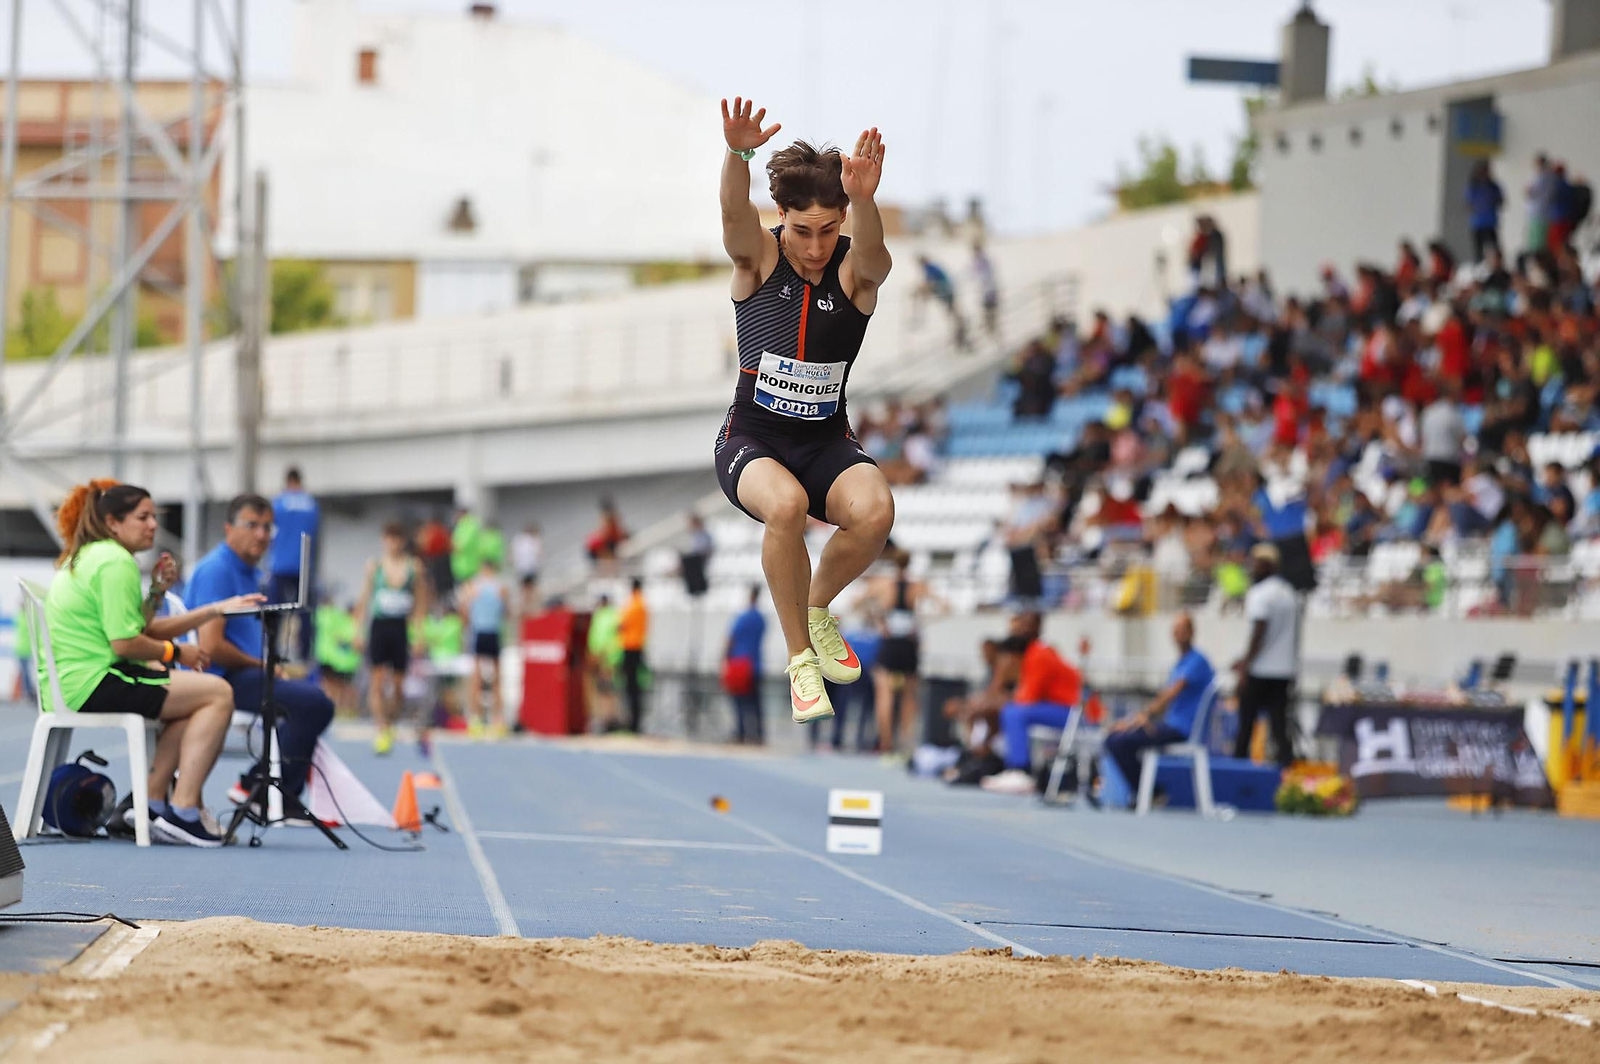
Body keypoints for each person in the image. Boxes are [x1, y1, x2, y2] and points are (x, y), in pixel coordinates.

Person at [712, 97, 895, 726]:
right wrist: (739, 154)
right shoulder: (758, 259)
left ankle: (816, 610)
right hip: (752, 440)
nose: (815, 247)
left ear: (842, 219)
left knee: (876, 511)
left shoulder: (855, 271)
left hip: (824, 442)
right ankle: (798, 661)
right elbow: (734, 213)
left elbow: (874, 259)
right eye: (801, 231)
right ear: (781, 220)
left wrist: (866, 200)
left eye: (828, 230)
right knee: (785, 506)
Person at [44, 481, 261, 847]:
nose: (152, 525)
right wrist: (176, 654)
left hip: (80, 681)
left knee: (191, 703)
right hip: (97, 681)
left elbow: (139, 627)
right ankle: (185, 810)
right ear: (113, 522)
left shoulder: (93, 555)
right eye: (143, 517)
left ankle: (152, 803)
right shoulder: (115, 561)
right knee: (219, 693)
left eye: (154, 517)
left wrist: (185, 601)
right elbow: (126, 643)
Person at [189, 493, 337, 815]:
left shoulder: (254, 574)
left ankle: (261, 787)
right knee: (314, 704)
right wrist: (262, 664)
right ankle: (261, 789)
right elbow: (210, 647)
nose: (261, 534)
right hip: (221, 677)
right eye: (252, 525)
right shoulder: (218, 570)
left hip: (245, 673)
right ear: (229, 528)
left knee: (310, 702)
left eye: (268, 527)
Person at [1102, 613, 1215, 804]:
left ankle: (1152, 793)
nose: (1178, 635)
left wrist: (1143, 716)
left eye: (1182, 630)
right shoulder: (1181, 662)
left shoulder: (1197, 661)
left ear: (1191, 632)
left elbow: (1171, 693)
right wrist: (1136, 722)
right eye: (1175, 631)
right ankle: (1145, 793)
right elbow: (1167, 702)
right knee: (1113, 738)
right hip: (1168, 726)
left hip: (1180, 730)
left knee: (1119, 742)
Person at [981, 614, 1083, 794]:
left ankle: (1021, 771)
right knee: (1010, 711)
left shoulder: (1038, 656)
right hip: (1064, 709)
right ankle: (1013, 767)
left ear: (1012, 657)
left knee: (1013, 713)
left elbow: (1027, 699)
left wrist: (1002, 691)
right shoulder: (1035, 653)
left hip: (1077, 714)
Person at [353, 523, 429, 754]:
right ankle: (381, 728)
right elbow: (364, 600)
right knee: (376, 681)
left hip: (400, 628)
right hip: (379, 626)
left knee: (397, 686)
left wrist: (418, 635)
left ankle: (391, 723)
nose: (393, 544)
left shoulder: (414, 567)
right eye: (389, 538)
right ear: (384, 540)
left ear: (402, 541)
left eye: (398, 539)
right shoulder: (374, 566)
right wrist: (358, 631)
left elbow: (420, 603)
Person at [1232, 543, 1298, 767]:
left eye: (1256, 563)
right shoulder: (1289, 592)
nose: (1252, 567)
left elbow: (1258, 632)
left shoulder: (1259, 593)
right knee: (1280, 726)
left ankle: (1238, 770)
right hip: (1284, 669)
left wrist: (1245, 665)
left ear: (1266, 565)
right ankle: (1287, 772)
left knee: (1246, 724)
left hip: (1261, 670)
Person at [868, 548, 929, 755]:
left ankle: (886, 745)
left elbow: (858, 601)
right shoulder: (918, 586)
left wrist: (879, 621)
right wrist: (918, 623)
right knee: (909, 696)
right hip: (909, 643)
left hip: (890, 642)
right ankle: (905, 743)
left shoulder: (883, 585)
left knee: (884, 694)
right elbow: (944, 606)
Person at [269, 467, 319, 661]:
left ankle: (273, 652)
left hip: (280, 565)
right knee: (305, 612)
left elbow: (270, 531)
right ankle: (305, 655)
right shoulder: (311, 504)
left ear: (288, 481)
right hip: (303, 565)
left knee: (276, 612)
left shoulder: (278, 503)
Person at [459, 557, 508, 737]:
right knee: (497, 679)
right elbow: (505, 612)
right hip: (493, 632)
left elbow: (464, 611)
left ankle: (476, 720)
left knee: (477, 678)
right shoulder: (500, 588)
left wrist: (467, 626)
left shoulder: (473, 587)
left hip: (479, 632)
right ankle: (498, 720)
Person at [724, 584, 767, 745]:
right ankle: (758, 734)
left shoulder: (742, 617)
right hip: (755, 664)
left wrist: (724, 659)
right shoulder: (761, 619)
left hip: (740, 664)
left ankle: (741, 732)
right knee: (756, 702)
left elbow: (730, 639)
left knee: (739, 701)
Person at [586, 593, 623, 731]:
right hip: (611, 657)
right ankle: (610, 719)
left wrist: (599, 656)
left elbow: (600, 639)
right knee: (609, 689)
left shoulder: (603, 617)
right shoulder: (614, 616)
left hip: (604, 659)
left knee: (605, 690)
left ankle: (608, 719)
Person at [618, 577, 649, 733]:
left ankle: (633, 723)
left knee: (631, 688)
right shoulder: (643, 604)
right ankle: (635, 721)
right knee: (636, 688)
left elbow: (621, 625)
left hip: (630, 648)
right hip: (639, 648)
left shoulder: (633, 605)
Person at [1466, 161, 1503, 261]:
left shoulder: (1493, 187)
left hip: (1490, 222)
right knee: (1478, 250)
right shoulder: (1474, 187)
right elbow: (1469, 204)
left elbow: (1501, 201)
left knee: (1494, 248)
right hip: (1478, 222)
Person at [511, 522, 543, 587]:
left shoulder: (518, 539)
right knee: (530, 587)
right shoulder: (534, 540)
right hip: (530, 567)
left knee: (524, 587)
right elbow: (539, 554)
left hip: (522, 567)